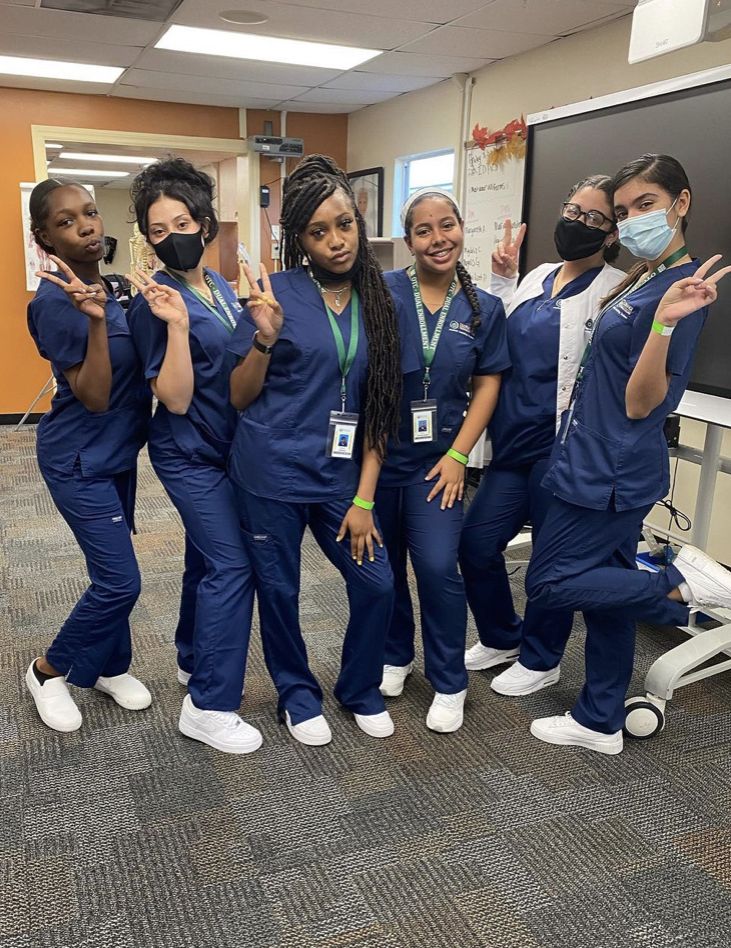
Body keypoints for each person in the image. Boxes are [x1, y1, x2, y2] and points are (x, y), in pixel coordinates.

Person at [519, 154, 731, 754]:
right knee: (604, 593)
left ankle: (679, 585)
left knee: (551, 583)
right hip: (587, 458)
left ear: (680, 203)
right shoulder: (642, 277)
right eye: (623, 212)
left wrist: (662, 326)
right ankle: (599, 718)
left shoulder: (680, 291)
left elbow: (644, 405)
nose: (632, 220)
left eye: (645, 205)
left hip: (607, 471)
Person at [228, 154, 402, 746]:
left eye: (344, 224)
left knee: (377, 584)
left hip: (340, 478)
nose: (336, 241)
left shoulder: (380, 301)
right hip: (270, 471)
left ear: (359, 222)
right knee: (280, 590)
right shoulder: (274, 293)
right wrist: (263, 339)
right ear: (299, 240)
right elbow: (238, 394)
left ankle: (358, 687)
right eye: (318, 232)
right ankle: (296, 693)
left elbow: (381, 407)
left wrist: (364, 498)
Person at [459, 176, 624, 699]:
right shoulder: (539, 276)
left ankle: (541, 657)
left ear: (613, 232)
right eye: (573, 209)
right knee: (476, 544)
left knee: (550, 564)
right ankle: (502, 636)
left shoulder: (615, 288)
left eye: (593, 218)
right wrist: (503, 279)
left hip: (562, 450)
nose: (576, 223)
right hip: (512, 443)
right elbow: (502, 330)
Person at [128, 158, 260, 755]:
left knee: (205, 562)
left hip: (227, 447)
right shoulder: (153, 302)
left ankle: (189, 656)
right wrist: (176, 328)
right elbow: (176, 397)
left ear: (205, 223)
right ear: (147, 239)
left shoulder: (225, 288)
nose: (172, 236)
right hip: (187, 452)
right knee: (233, 567)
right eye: (158, 230)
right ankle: (208, 705)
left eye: (181, 221)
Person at [376, 188, 510, 732]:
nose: (439, 238)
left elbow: (488, 383)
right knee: (382, 570)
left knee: (435, 567)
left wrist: (460, 455)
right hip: (379, 460)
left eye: (447, 225)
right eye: (425, 230)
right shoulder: (382, 293)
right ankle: (395, 655)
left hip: (440, 465)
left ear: (461, 229)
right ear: (409, 242)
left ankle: (449, 679)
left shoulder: (484, 308)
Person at [25, 179, 151, 733]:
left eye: (91, 213)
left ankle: (108, 666)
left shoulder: (116, 286)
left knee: (111, 563)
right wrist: (97, 322)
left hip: (117, 453)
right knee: (121, 580)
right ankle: (48, 670)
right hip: (77, 457)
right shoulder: (54, 303)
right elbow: (95, 396)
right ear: (43, 238)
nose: (86, 226)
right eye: (66, 221)